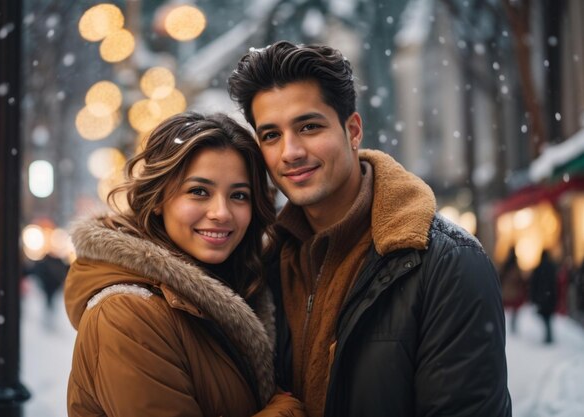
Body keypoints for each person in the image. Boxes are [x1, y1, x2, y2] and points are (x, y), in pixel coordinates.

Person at [228, 41, 511, 417]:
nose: (290, 151)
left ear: (353, 130)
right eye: (271, 135)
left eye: (308, 126)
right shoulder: (264, 266)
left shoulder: (447, 263)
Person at [64, 112, 304, 417]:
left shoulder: (240, 287)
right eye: (199, 191)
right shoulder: (126, 315)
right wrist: (286, 411)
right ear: (159, 198)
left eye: (239, 195)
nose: (221, 212)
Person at [529, 249, 558, 344]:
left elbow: (534, 284)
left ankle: (548, 337)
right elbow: (555, 284)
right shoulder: (552, 268)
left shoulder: (538, 268)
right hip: (549, 297)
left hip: (542, 297)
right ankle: (549, 336)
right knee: (548, 318)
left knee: (545, 318)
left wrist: (534, 297)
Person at [499, 247, 527, 333]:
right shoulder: (515, 266)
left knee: (505, 310)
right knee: (514, 310)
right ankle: (512, 328)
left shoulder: (506, 265)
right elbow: (521, 280)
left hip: (507, 291)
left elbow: (501, 277)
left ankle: (506, 327)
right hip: (514, 291)